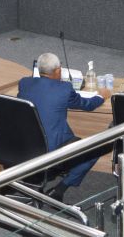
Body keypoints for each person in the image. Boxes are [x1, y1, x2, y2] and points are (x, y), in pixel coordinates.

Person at [17, 52, 112, 202]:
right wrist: (101, 96)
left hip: (24, 147)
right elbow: (87, 105)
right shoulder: (64, 89)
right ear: (58, 71)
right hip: (53, 150)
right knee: (96, 147)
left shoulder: (24, 83)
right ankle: (60, 188)